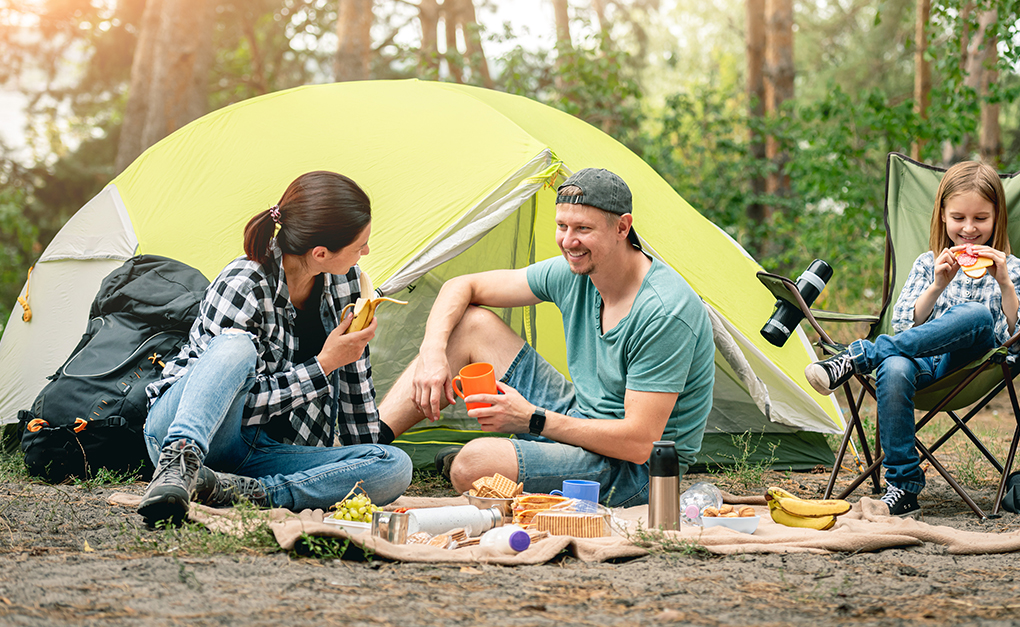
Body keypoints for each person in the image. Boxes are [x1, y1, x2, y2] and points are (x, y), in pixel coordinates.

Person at [378, 168, 715, 508]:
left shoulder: (664, 311)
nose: (569, 241)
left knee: (474, 464)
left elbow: (639, 443)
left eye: (583, 229)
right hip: (580, 415)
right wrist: (433, 353)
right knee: (471, 324)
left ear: (622, 228)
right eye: (562, 226)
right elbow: (461, 286)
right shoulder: (576, 271)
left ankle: (512, 463)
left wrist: (532, 419)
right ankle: (367, 443)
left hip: (637, 472)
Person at [138, 171, 412, 527]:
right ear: (320, 253)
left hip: (257, 452)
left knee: (393, 465)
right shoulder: (245, 283)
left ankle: (243, 491)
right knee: (236, 346)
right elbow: (227, 401)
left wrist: (365, 455)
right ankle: (178, 466)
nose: (366, 252)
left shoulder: (346, 282)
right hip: (191, 427)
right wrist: (324, 365)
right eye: (360, 245)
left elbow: (355, 383)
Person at [804, 161, 1020, 519]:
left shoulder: (1011, 268)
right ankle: (903, 487)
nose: (969, 229)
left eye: (980, 219)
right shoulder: (928, 264)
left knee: (975, 314)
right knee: (893, 366)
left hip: (973, 363)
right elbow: (902, 324)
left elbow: (1014, 338)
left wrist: (1003, 282)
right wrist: (938, 285)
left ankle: (855, 357)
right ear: (942, 216)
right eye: (958, 218)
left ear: (997, 218)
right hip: (924, 362)